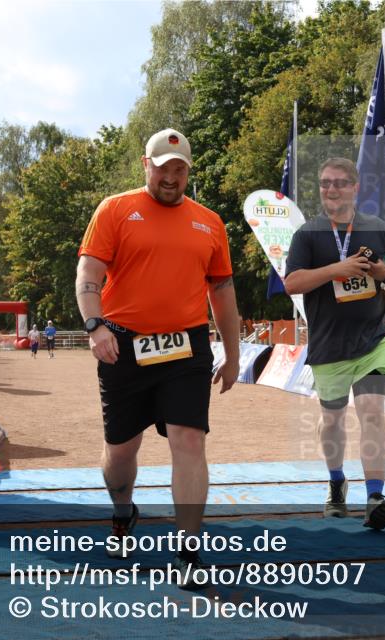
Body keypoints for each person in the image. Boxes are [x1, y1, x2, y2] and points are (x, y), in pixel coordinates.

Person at [76, 128, 240, 588]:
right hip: (121, 346)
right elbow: (89, 272)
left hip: (186, 347)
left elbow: (223, 290)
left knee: (190, 441)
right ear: (146, 165)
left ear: (188, 170)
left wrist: (231, 353)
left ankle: (189, 548)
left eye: (180, 168)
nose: (171, 176)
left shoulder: (210, 222)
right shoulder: (115, 209)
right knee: (122, 453)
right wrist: (95, 325)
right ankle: (124, 510)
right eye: (163, 167)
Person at [284, 157, 385, 531]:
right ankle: (337, 481)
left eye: (340, 183)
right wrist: (336, 270)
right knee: (332, 423)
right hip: (328, 348)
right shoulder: (307, 235)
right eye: (325, 183)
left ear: (355, 188)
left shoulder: (377, 228)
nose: (331, 189)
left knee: (371, 408)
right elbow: (292, 283)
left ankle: (375, 497)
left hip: (374, 339)